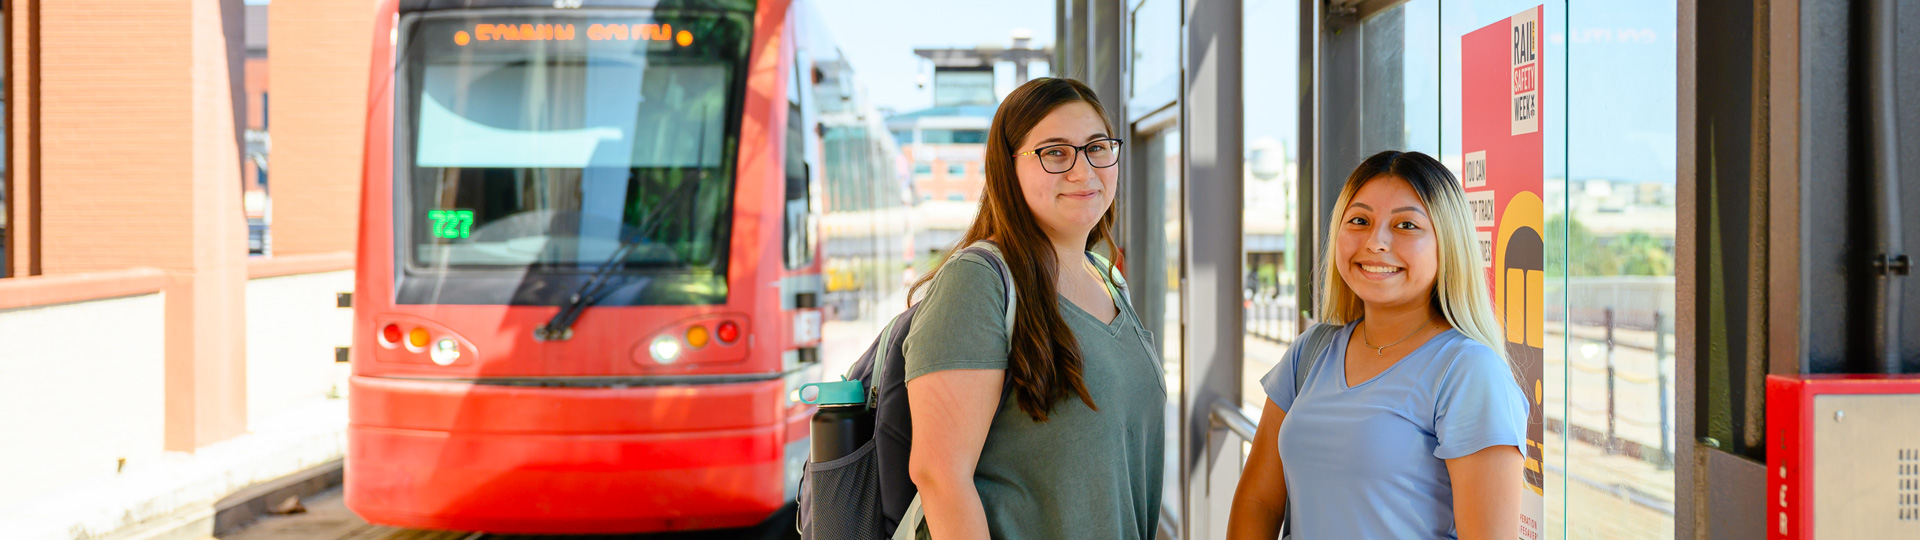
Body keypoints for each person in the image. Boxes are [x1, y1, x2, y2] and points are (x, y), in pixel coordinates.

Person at [903, 77, 1165, 540]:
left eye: (1097, 147)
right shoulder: (978, 282)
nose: (1083, 171)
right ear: (1008, 168)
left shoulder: (1107, 279)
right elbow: (939, 477)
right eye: (1055, 152)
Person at [1226, 150, 1528, 539]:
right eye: (1359, 221)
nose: (1376, 242)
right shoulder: (1311, 352)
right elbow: (1258, 503)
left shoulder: (1468, 372)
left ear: (1447, 244)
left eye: (1405, 225)